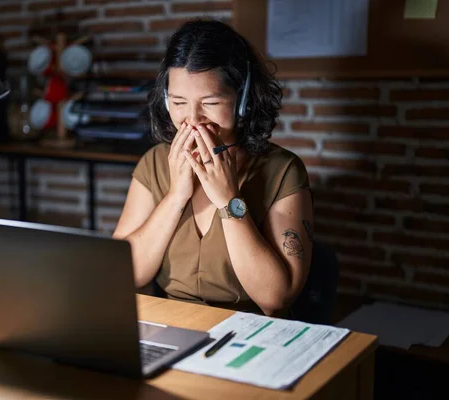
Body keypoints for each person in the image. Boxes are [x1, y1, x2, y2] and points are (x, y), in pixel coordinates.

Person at [113, 19, 314, 317]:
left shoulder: (283, 170)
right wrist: (175, 197)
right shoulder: (154, 163)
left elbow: (276, 299)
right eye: (179, 102)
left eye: (210, 102)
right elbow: (121, 275)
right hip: (172, 325)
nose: (192, 119)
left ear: (242, 101)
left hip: (247, 332)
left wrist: (228, 200)